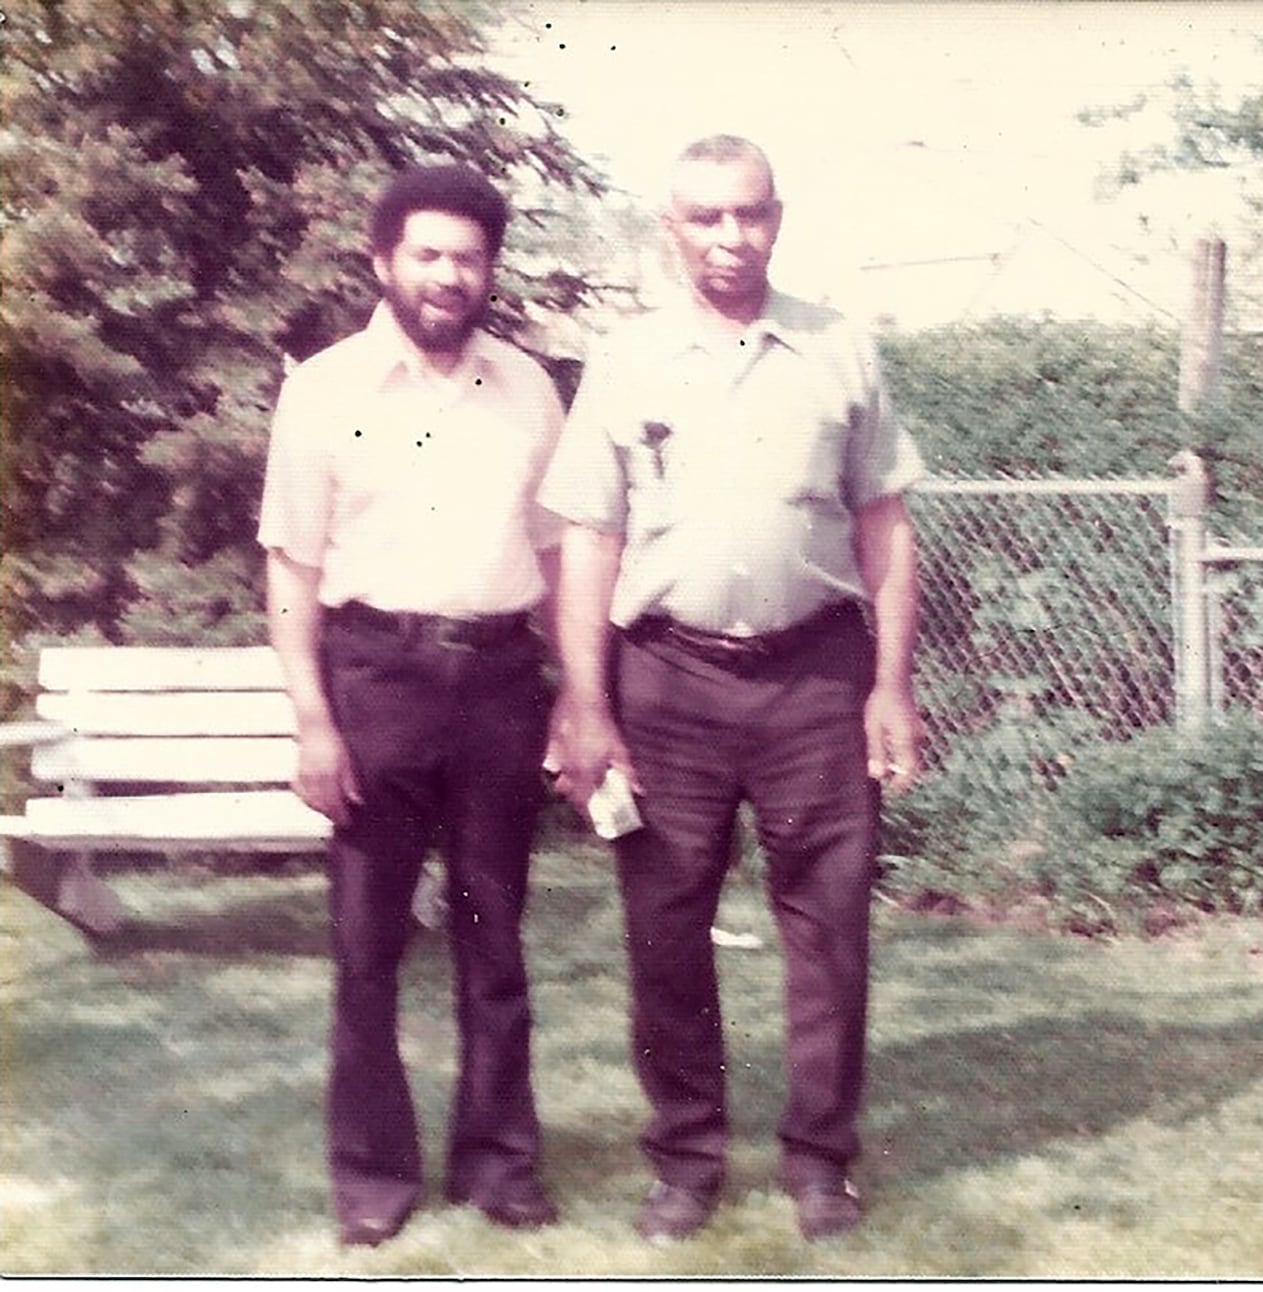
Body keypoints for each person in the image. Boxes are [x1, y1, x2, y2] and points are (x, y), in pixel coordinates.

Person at [540, 134, 927, 1243]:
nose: (728, 235)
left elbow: (884, 525)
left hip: (814, 672)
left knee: (829, 927)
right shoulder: (624, 358)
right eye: (704, 216)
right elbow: (590, 538)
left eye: (747, 213)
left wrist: (890, 682)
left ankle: (820, 1161)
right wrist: (588, 700)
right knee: (664, 928)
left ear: (777, 217)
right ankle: (685, 1156)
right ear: (671, 228)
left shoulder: (839, 349)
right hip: (665, 679)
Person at [258, 164, 566, 1248]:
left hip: (496, 682)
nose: (449, 274)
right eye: (428, 253)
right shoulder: (324, 390)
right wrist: (311, 719)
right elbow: (291, 568)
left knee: (496, 938)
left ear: (489, 270)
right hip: (373, 675)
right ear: (382, 259)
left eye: (469, 256)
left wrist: (577, 694)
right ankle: (373, 1181)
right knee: (366, 943)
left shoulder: (530, 388)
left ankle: (500, 1165)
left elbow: (559, 556)